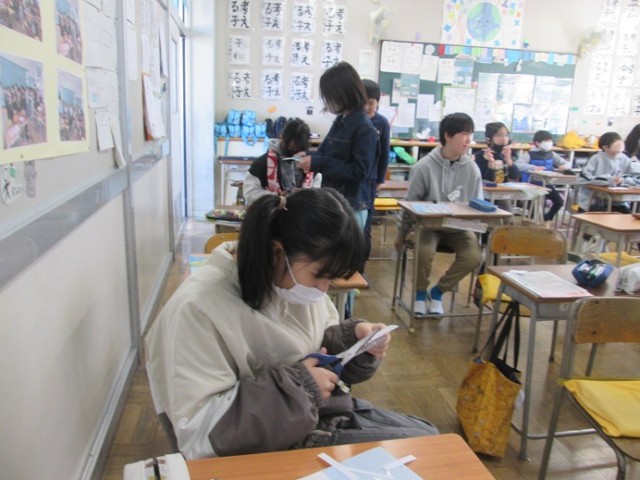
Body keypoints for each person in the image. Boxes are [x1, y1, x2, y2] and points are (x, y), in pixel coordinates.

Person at [145, 188, 438, 460]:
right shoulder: (196, 310)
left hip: (311, 419)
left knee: (429, 438)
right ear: (276, 252)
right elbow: (202, 434)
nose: (323, 289)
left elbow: (313, 347)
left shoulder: (284, 278)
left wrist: (352, 342)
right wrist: (303, 388)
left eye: (332, 279)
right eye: (319, 275)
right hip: (264, 450)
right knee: (426, 453)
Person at [394, 112, 484, 316]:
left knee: (473, 256)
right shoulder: (424, 166)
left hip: (459, 226)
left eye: (470, 134)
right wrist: (402, 234)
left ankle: (437, 292)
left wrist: (475, 226)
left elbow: (477, 204)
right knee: (424, 252)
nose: (468, 140)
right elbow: (410, 203)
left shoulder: (472, 169)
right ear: (448, 135)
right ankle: (419, 294)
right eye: (464, 134)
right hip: (428, 226)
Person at [296, 62, 378, 229]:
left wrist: (318, 162)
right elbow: (326, 153)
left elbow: (359, 172)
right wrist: (309, 156)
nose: (327, 101)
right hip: (336, 202)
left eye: (329, 96)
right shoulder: (341, 120)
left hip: (352, 206)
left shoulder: (365, 128)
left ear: (343, 94)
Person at [243, 118, 318, 205]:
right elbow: (249, 193)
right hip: (272, 211)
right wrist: (275, 198)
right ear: (281, 137)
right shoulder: (262, 163)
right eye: (291, 147)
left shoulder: (312, 164)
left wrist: (305, 195)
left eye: (299, 148)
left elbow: (318, 193)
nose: (294, 153)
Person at [362, 78, 391, 269]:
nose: (367, 107)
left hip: (371, 180)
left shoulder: (382, 123)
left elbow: (384, 154)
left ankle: (362, 265)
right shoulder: (353, 121)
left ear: (377, 102)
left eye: (371, 103)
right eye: (363, 102)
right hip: (355, 178)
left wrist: (380, 179)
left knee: (366, 223)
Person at [577, 131, 640, 213]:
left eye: (621, 151)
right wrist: (608, 180)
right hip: (593, 202)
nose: (619, 154)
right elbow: (583, 178)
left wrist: (623, 180)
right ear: (605, 147)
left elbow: (637, 177)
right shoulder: (596, 158)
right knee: (601, 215)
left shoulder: (624, 159)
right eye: (616, 151)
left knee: (628, 217)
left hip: (618, 202)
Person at [516, 130, 572, 222]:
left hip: (547, 184)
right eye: (546, 141)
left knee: (559, 201)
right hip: (532, 185)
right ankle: (535, 221)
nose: (549, 143)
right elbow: (518, 165)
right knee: (536, 209)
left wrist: (563, 167)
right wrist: (533, 167)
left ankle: (547, 218)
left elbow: (566, 163)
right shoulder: (529, 154)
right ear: (537, 143)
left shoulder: (551, 154)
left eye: (550, 141)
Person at [474, 122, 520, 215]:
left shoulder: (508, 154)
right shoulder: (481, 155)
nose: (504, 138)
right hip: (484, 194)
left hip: (502, 192)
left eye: (506, 135)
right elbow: (486, 180)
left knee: (507, 213)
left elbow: (515, 176)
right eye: (499, 135)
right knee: (502, 208)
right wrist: (490, 163)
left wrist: (509, 161)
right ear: (489, 139)